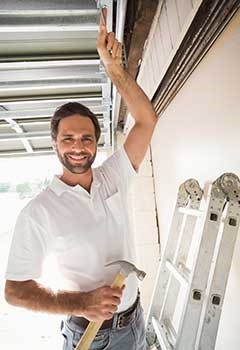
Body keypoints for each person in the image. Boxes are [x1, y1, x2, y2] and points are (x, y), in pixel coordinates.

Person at [4, 8, 157, 350]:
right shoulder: (40, 211)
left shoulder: (113, 175)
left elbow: (146, 120)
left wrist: (115, 70)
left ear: (96, 142)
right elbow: (15, 291)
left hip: (134, 321)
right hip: (92, 335)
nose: (78, 147)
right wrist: (79, 302)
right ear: (55, 143)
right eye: (68, 139)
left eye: (86, 138)